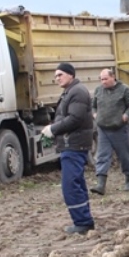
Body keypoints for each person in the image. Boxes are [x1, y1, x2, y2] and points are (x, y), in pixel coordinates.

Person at [41, 62, 95, 234]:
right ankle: (84, 220)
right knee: (76, 183)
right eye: (55, 76)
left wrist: (53, 129)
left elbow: (75, 119)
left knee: (70, 185)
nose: (57, 78)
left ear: (70, 75)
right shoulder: (70, 92)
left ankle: (82, 223)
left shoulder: (77, 92)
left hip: (74, 144)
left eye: (60, 75)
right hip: (71, 144)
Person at [91, 67, 129, 195]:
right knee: (102, 156)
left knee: (124, 155)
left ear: (113, 77)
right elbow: (93, 105)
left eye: (105, 79)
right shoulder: (98, 90)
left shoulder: (124, 90)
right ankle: (100, 184)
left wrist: (126, 116)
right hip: (103, 129)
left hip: (119, 128)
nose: (103, 82)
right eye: (101, 79)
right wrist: (94, 114)